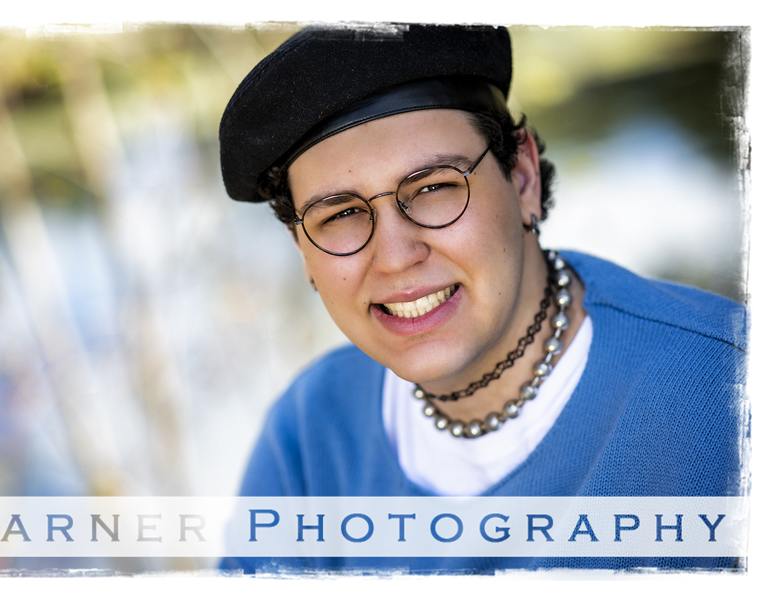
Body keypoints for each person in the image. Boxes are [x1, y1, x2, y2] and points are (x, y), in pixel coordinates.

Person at [217, 24, 747, 573]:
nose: (395, 257)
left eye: (432, 187)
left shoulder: (730, 398)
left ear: (522, 178)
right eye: (342, 215)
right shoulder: (310, 432)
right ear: (305, 252)